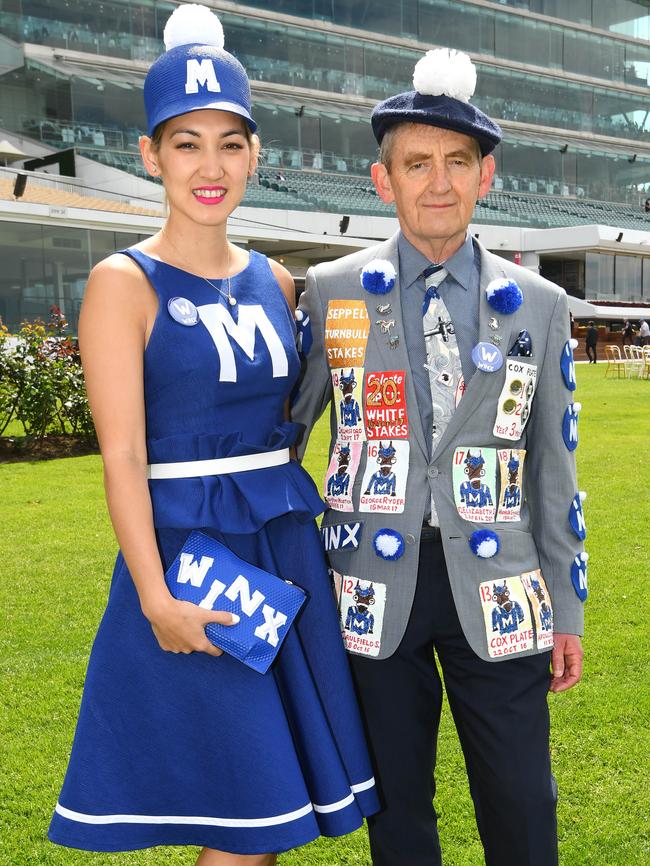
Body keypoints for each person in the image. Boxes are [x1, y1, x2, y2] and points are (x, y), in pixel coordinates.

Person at [47, 6, 377, 864]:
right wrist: (154, 596)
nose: (211, 165)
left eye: (231, 143)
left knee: (259, 821)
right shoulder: (122, 282)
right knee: (245, 810)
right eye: (186, 142)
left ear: (256, 155)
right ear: (151, 155)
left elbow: (293, 422)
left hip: (277, 551)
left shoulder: (276, 278)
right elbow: (120, 454)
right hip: (190, 557)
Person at [292, 47, 585, 866]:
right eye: (416, 164)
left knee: (524, 805)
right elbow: (287, 441)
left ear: (485, 175)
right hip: (370, 592)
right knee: (398, 814)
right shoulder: (331, 291)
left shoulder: (541, 304)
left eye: (458, 162)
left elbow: (553, 471)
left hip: (500, 587)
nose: (439, 183)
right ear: (383, 182)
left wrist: (567, 607)